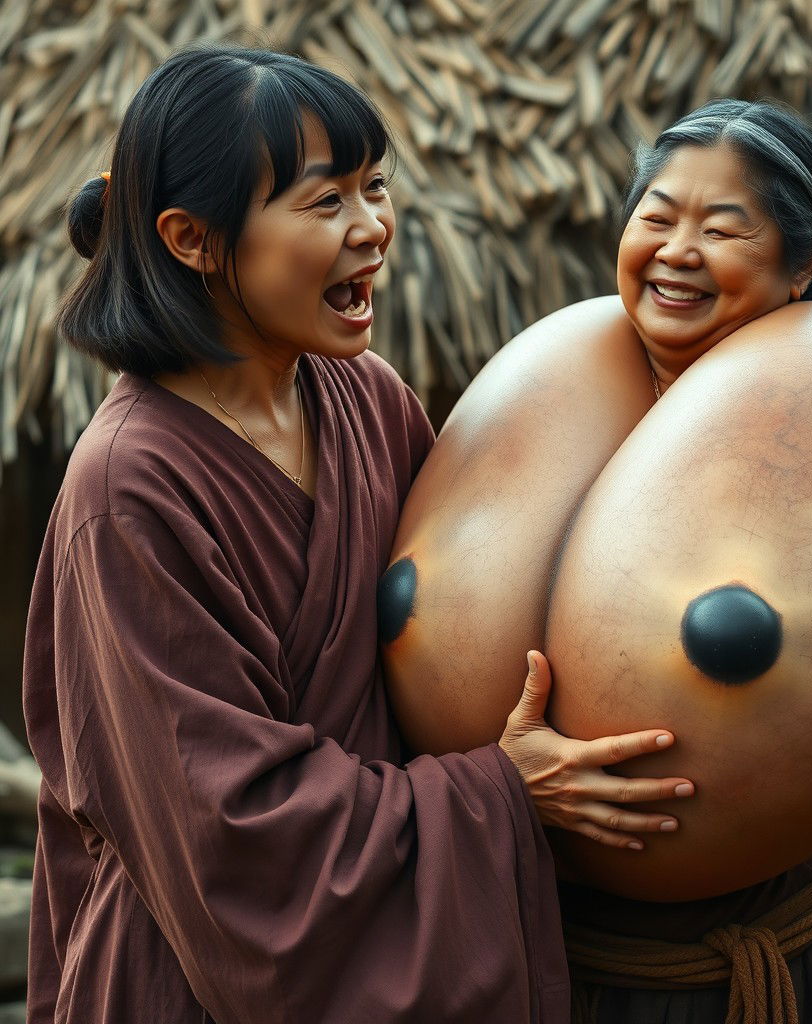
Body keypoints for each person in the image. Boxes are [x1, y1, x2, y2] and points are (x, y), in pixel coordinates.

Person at [21, 44, 698, 1024]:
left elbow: (458, 624)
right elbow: (229, 830)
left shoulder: (364, 398)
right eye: (324, 201)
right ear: (192, 237)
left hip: (395, 909)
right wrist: (500, 792)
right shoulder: (128, 491)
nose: (373, 228)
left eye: (374, 188)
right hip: (203, 973)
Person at [381, 99, 812, 1023]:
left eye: (723, 228)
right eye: (656, 217)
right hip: (548, 945)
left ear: (806, 260)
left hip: (771, 944)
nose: (677, 250)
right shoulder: (566, 379)